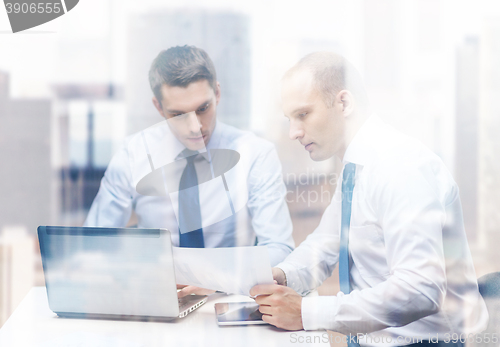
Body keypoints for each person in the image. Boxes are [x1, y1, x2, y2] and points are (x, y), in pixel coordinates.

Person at [250, 52, 488, 346]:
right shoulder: (356, 167)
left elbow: (420, 289)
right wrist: (282, 276)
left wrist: (306, 311)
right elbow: (324, 244)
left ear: (344, 103)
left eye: (303, 115)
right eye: (289, 119)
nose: (293, 133)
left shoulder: (399, 168)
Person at [84, 46, 295, 296]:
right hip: (157, 296)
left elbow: (280, 248)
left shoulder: (256, 154)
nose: (195, 127)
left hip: (229, 296)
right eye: (178, 114)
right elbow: (93, 245)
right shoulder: (132, 154)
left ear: (217, 93)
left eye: (203, 109)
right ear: (159, 108)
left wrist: (215, 278)